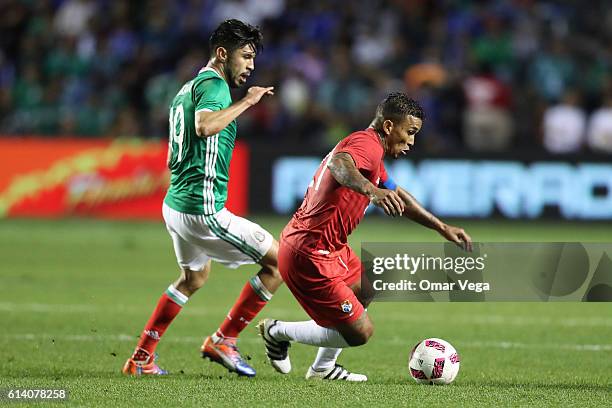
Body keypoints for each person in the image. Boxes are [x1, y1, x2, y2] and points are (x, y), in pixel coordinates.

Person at [258, 92, 473, 381]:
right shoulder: (365, 145)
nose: (411, 141)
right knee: (361, 333)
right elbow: (339, 165)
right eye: (409, 132)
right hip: (309, 254)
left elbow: (397, 194)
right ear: (388, 127)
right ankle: (276, 331)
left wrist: (441, 227)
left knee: (370, 286)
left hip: (330, 248)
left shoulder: (374, 153)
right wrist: (372, 191)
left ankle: (322, 369)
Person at [123, 19, 281, 377]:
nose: (251, 66)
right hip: (201, 208)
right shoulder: (215, 85)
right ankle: (225, 339)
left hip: (176, 204)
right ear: (223, 54)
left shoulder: (187, 87)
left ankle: (141, 358)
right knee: (279, 263)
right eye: (246, 56)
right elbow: (205, 126)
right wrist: (248, 101)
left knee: (194, 278)